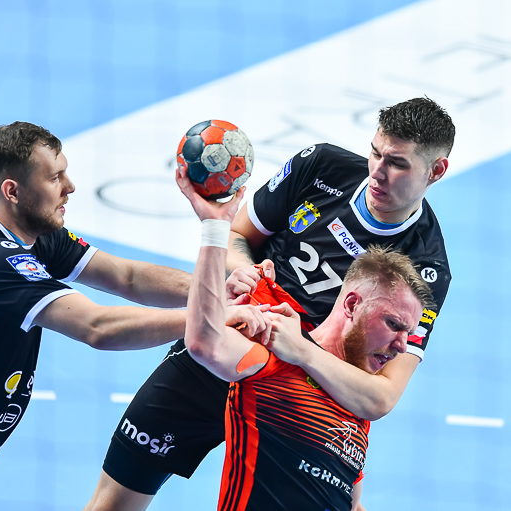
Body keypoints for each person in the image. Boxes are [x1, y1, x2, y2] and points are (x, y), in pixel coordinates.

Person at [86, 97, 455, 509]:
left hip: (299, 397)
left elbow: (381, 396)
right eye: (375, 153)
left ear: (436, 170)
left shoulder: (427, 266)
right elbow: (237, 236)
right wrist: (245, 269)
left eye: (398, 164)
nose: (378, 172)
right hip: (233, 343)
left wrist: (302, 351)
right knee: (112, 503)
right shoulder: (322, 167)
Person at [0, 122, 198, 510]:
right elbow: (98, 327)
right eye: (54, 177)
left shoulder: (28, 231)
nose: (70, 187)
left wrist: (214, 288)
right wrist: (208, 318)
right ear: (13, 191)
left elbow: (126, 276)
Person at [179, 171, 433, 510]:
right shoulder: (275, 354)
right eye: (393, 325)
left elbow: (351, 503)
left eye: (407, 332)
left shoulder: (357, 397)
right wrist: (214, 230)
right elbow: (203, 342)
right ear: (352, 305)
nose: (402, 346)